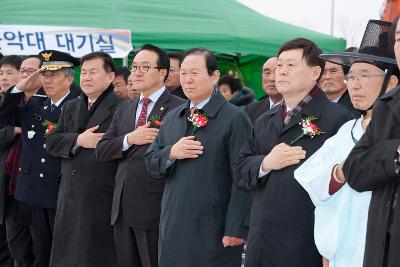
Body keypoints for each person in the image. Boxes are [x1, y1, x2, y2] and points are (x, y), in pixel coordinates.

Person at [233, 38, 352, 267]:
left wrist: (332, 246)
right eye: (280, 66)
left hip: (306, 240)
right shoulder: (264, 119)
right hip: (262, 238)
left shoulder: (338, 119)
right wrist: (266, 163)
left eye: (291, 65)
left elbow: (343, 188)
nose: (281, 72)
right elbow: (240, 168)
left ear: (315, 72)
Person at [294, 19, 399, 267]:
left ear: (391, 83)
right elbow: (309, 179)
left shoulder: (391, 127)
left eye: (364, 75)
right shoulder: (345, 131)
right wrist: (339, 173)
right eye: (351, 77)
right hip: (344, 251)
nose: (355, 85)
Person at [144, 48, 253, 267]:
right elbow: (151, 160)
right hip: (173, 221)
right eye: (183, 73)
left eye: (194, 72)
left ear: (214, 76)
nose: (187, 79)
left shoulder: (234, 117)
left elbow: (243, 175)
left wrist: (235, 227)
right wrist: (171, 153)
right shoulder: (174, 116)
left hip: (213, 225)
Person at [96, 44, 185, 267]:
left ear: (163, 73)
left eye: (145, 67)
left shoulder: (180, 108)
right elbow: (102, 150)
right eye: (135, 67)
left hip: (155, 205)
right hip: (121, 205)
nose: (136, 72)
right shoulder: (125, 108)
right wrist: (129, 139)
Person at [0, 50, 79, 267]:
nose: (48, 80)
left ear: (69, 78)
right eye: (45, 74)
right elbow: (4, 115)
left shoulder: (78, 105)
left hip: (61, 192)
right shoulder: (36, 104)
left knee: (63, 252)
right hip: (34, 193)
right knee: (39, 252)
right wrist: (21, 86)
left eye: (54, 75)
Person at [45, 52, 121, 267]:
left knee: (95, 255)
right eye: (84, 73)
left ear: (110, 76)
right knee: (66, 254)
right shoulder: (72, 105)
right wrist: (79, 139)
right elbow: (51, 141)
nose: (86, 78)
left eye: (93, 72)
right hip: (69, 192)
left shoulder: (122, 107)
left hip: (100, 195)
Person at [342, 16, 400, 267]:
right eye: (398, 39)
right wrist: (395, 152)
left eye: (364, 75)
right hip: (383, 249)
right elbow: (354, 170)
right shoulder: (388, 105)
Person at [246, 57, 282, 122]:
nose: (271, 79)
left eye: (277, 73)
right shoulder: (252, 109)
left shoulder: (299, 108)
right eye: (267, 73)